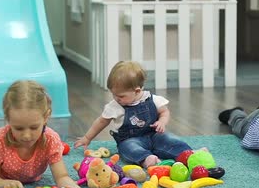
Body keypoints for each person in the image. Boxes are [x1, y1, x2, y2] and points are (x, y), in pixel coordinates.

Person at [74, 60, 205, 168]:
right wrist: (87, 137)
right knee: (129, 149)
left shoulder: (152, 99)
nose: (116, 98)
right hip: (130, 140)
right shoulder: (115, 106)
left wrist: (162, 122)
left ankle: (190, 155)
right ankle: (148, 159)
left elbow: (164, 111)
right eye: (113, 94)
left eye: (120, 96)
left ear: (137, 91)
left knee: (171, 139)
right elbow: (101, 121)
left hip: (154, 135)